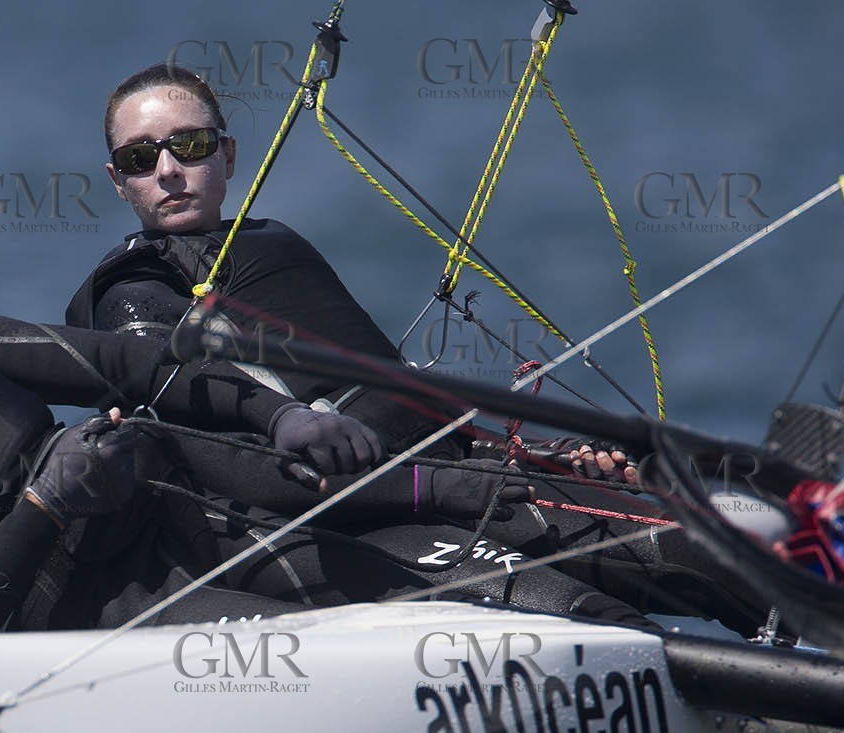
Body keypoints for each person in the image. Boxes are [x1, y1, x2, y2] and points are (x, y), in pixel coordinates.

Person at [0, 185, 557, 637]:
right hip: (87, 629)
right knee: (378, 639)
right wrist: (44, 509)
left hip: (174, 503)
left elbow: (119, 360)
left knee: (470, 573)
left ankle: (585, 538)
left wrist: (279, 418)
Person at [64, 63, 763, 633]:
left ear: (228, 154)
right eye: (140, 156)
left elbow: (397, 399)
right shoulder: (134, 288)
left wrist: (534, 453)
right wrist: (447, 486)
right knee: (601, 628)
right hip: (372, 522)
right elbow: (229, 436)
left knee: (721, 546)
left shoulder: (269, 243)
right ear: (118, 180)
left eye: (189, 145)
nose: (168, 169)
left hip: (473, 474)